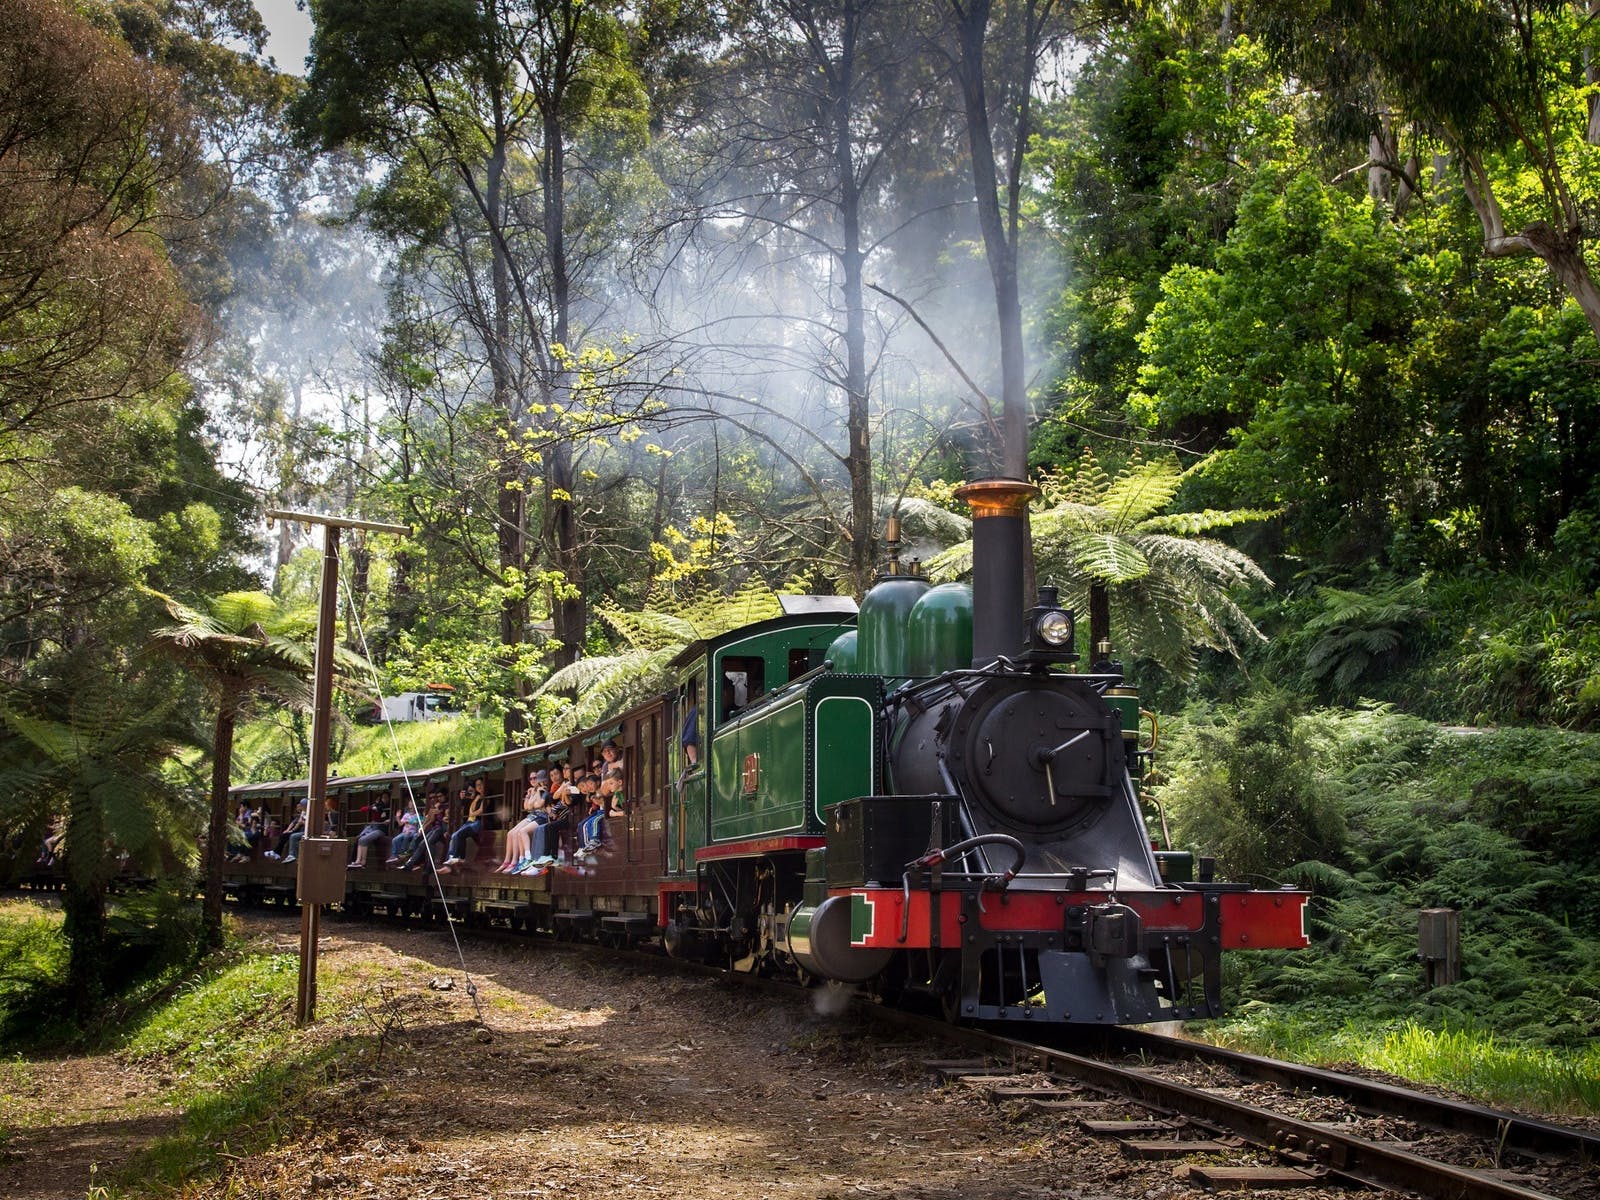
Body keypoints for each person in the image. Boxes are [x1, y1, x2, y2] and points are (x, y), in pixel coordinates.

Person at [498, 774, 549, 872]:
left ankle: (517, 861)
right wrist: (528, 796)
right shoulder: (532, 791)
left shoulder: (542, 790)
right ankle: (508, 861)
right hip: (531, 816)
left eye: (535, 778)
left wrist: (533, 797)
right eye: (531, 778)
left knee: (519, 832)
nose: (533, 780)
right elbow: (526, 807)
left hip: (539, 816)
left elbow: (533, 806)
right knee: (510, 833)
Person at [440, 782, 487, 871]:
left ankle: (458, 858)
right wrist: (464, 797)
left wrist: (472, 813)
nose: (479, 787)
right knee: (454, 835)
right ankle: (451, 859)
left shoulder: (485, 797)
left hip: (477, 822)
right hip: (469, 821)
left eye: (481, 784)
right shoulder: (475, 797)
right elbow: (462, 807)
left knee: (459, 834)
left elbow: (481, 810)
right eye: (477, 785)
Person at [349, 793, 392, 869]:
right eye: (382, 798)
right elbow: (363, 809)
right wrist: (372, 808)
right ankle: (358, 860)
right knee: (360, 839)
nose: (384, 799)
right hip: (373, 826)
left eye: (386, 798)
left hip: (380, 829)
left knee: (363, 839)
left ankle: (363, 862)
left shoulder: (388, 807)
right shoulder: (376, 805)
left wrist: (389, 820)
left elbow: (390, 817)